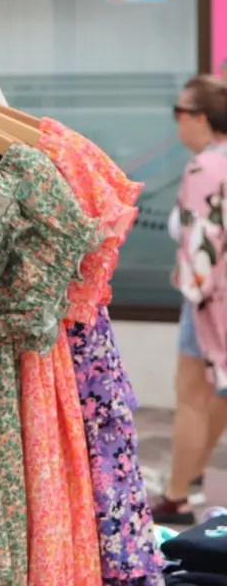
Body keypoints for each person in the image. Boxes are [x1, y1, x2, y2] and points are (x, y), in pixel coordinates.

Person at [156, 74, 227, 524]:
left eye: (180, 112)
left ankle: (178, 493)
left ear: (200, 117)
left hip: (210, 300)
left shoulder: (204, 167)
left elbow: (204, 242)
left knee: (191, 394)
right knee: (217, 391)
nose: (178, 121)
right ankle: (193, 472)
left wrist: (191, 291)